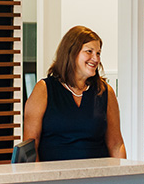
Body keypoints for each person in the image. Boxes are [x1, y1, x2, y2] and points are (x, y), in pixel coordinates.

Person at [23, 25, 126, 161]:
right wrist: (37, 180)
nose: (95, 59)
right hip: (54, 178)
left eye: (98, 53)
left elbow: (116, 144)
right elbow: (31, 145)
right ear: (71, 52)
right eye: (89, 51)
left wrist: (122, 178)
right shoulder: (43, 89)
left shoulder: (105, 91)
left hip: (98, 176)